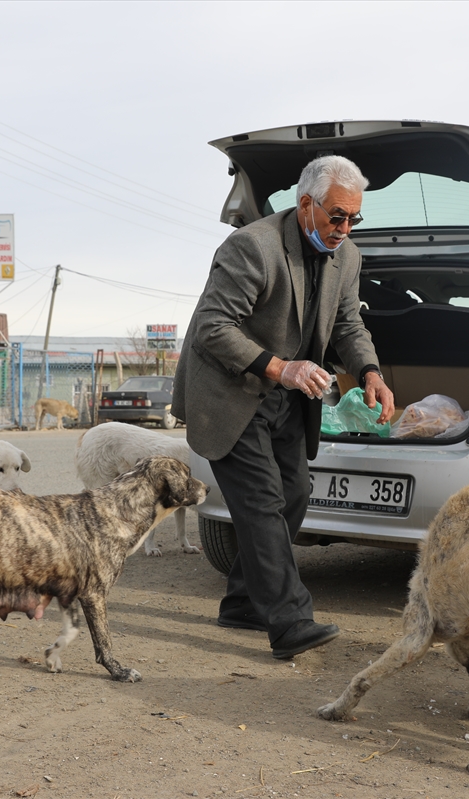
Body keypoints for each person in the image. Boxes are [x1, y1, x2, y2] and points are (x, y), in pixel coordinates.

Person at [172, 155, 395, 659]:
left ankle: (244, 602)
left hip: (287, 397)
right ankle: (290, 621)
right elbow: (213, 328)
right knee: (262, 503)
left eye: (353, 218)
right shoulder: (252, 247)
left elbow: (347, 327)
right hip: (229, 392)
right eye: (336, 216)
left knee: (293, 494)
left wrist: (370, 373)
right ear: (306, 204)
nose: (344, 228)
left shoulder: (348, 256)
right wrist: (281, 367)